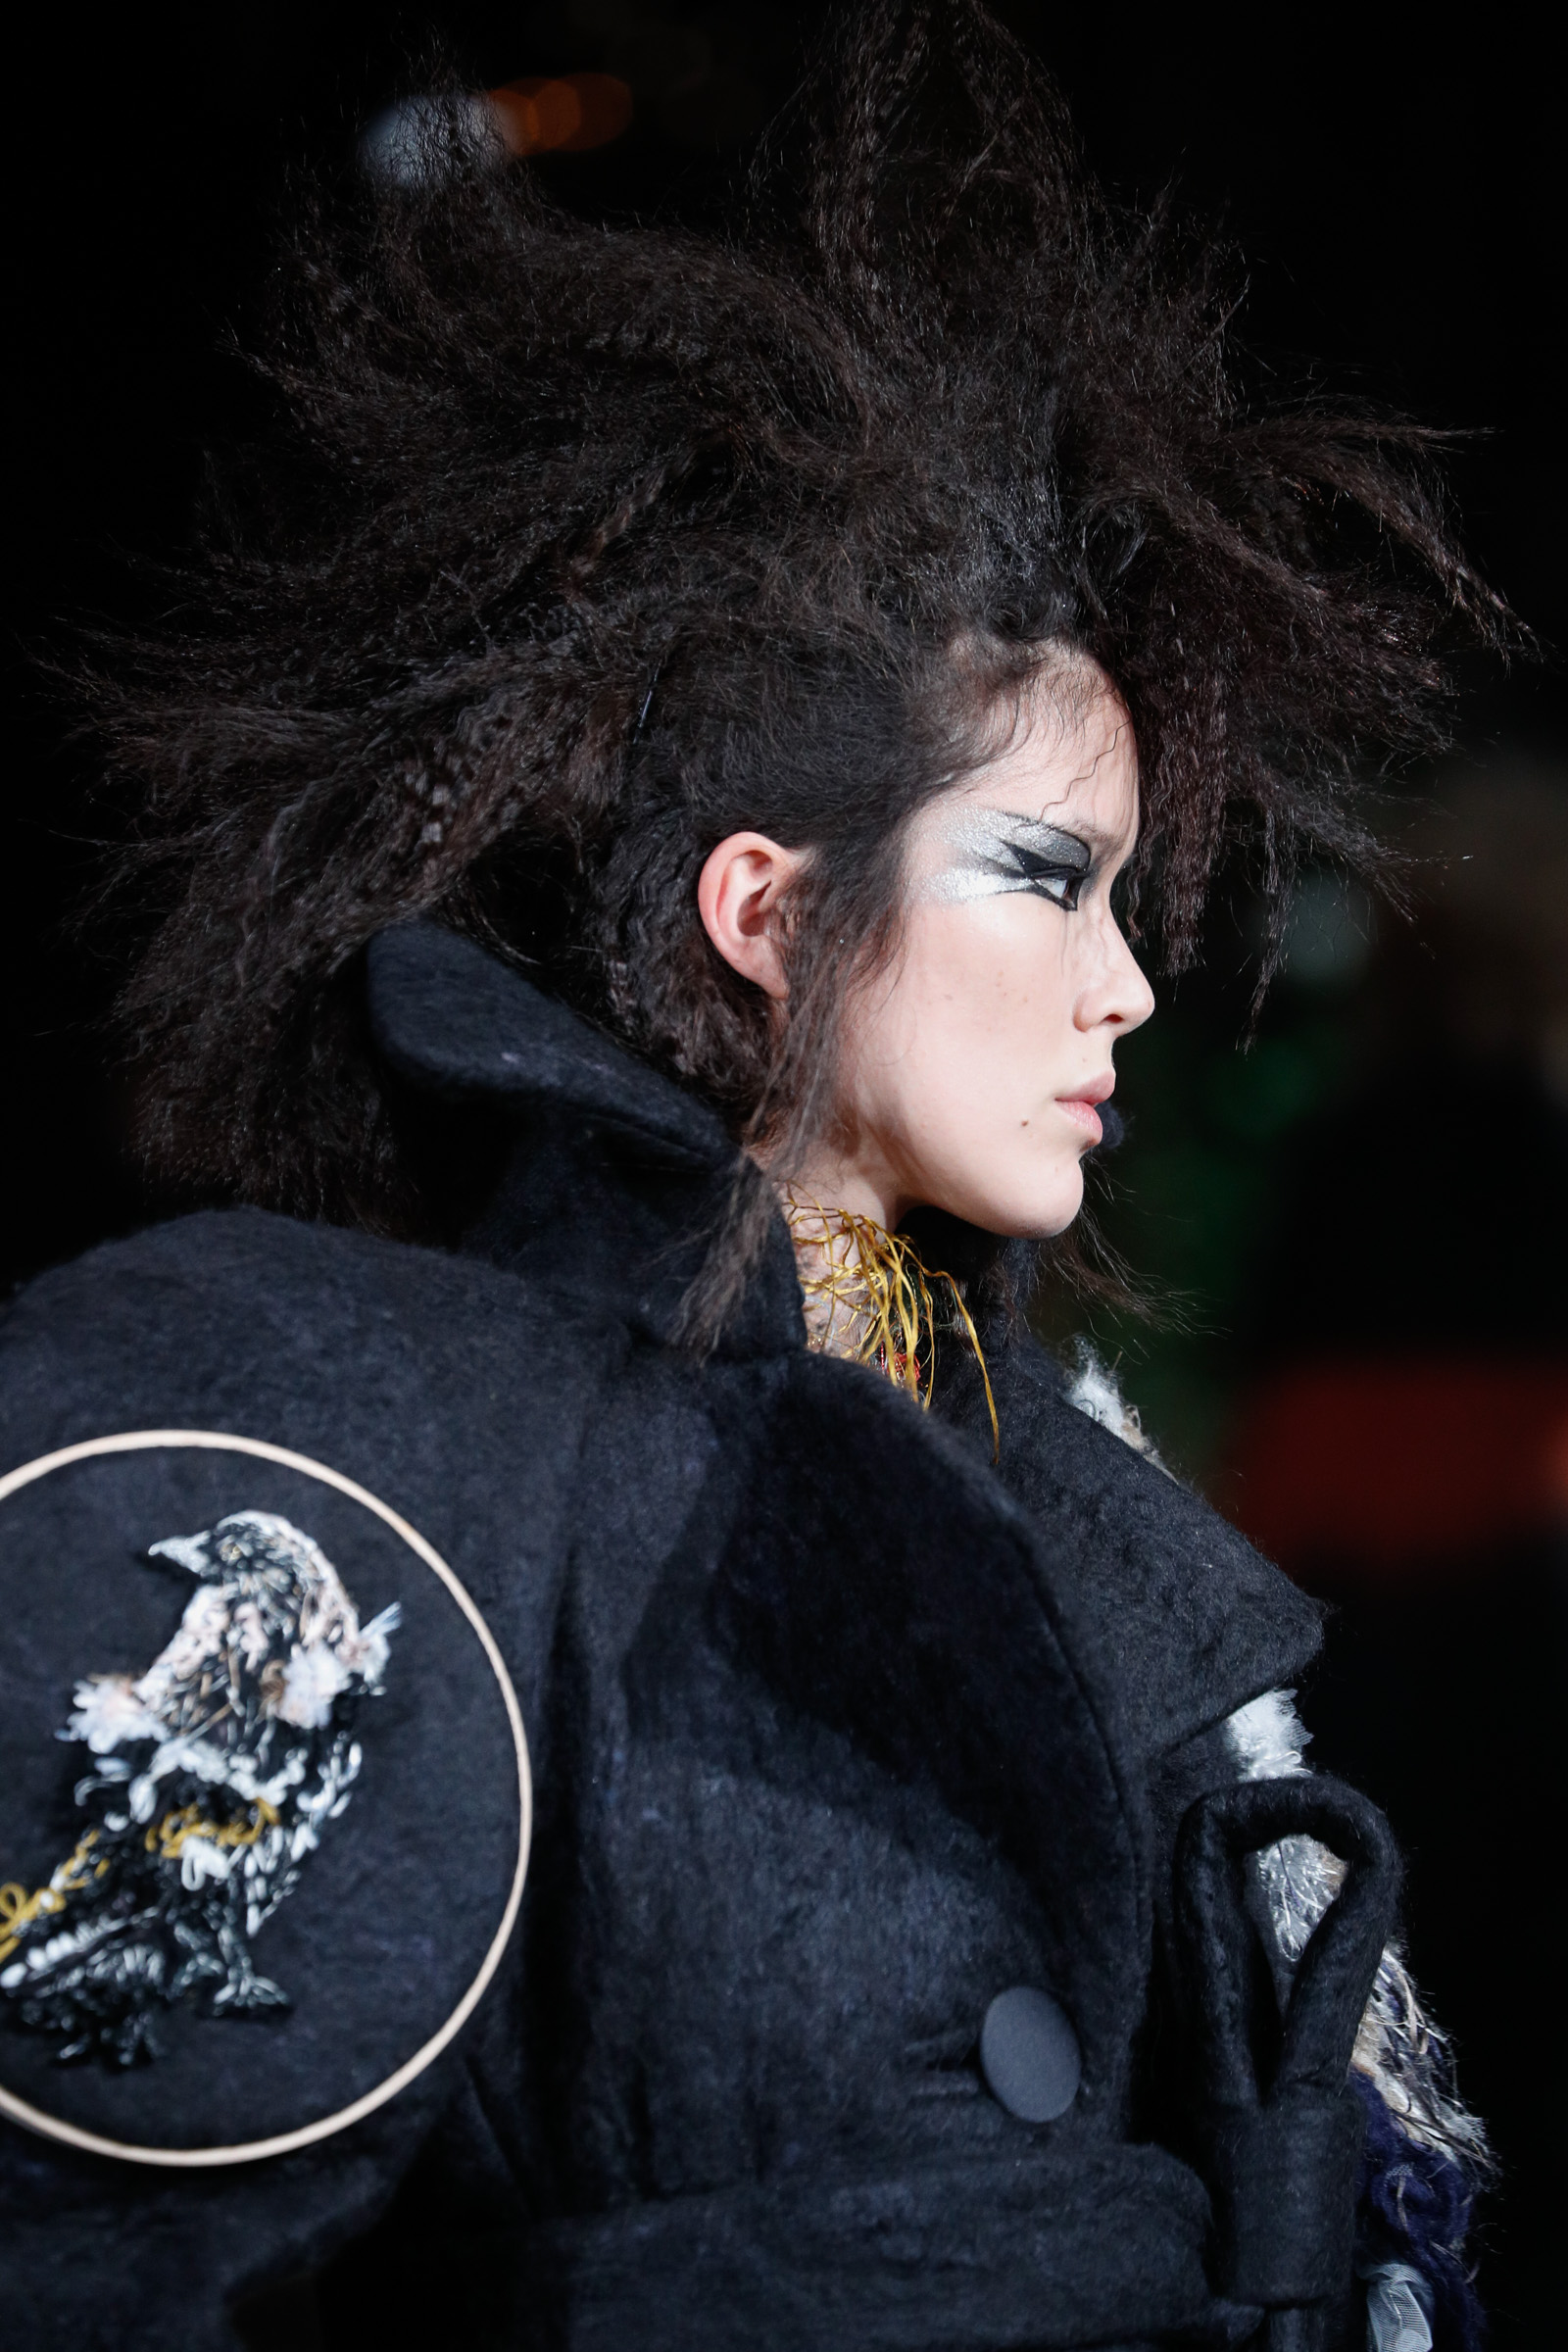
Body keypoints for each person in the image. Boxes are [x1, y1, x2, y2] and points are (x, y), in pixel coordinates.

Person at [0, 6, 1496, 2345]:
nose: (1122, 986)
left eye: (1124, 897)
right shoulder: (378, 1445)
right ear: (768, 910)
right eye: (1043, 878)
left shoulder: (1092, 1517)